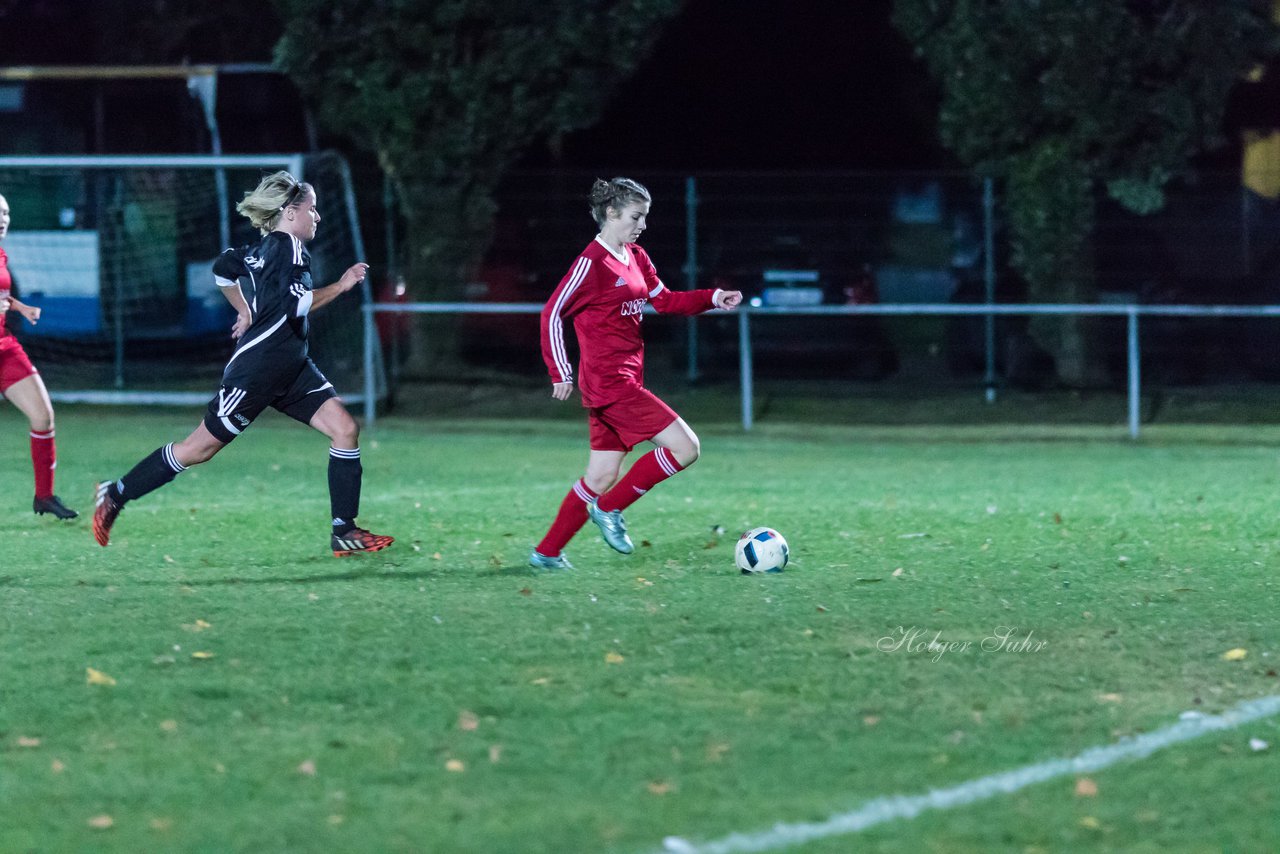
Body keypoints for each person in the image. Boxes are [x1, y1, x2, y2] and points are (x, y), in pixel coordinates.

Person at [92, 171, 394, 557]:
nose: (316, 217)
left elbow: (223, 268)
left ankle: (344, 532)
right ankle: (114, 493)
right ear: (289, 213)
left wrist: (246, 311)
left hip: (291, 368)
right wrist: (341, 285)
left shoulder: (265, 247)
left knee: (345, 429)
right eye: (312, 210)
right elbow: (294, 305)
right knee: (196, 450)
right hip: (258, 371)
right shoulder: (288, 247)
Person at [530, 177, 742, 570]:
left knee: (600, 475)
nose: (642, 224)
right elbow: (552, 312)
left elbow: (665, 301)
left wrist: (712, 298)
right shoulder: (590, 264)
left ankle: (546, 553)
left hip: (626, 381)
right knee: (686, 447)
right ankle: (608, 511)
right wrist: (560, 370)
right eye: (635, 216)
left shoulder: (636, 256)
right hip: (611, 385)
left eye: (644, 217)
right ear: (611, 213)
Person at [0, 193, 78, 520]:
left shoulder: (1, 254)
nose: (2, 218)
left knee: (43, 416)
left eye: (5, 212)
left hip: (4, 347)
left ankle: (44, 496)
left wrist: (19, 307)